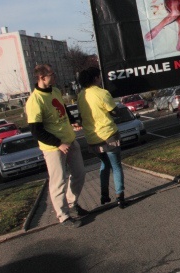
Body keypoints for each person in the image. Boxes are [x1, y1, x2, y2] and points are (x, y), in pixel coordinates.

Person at [26, 64, 87, 228]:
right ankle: (63, 216)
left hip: (70, 140)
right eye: (52, 75)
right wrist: (58, 143)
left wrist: (72, 121)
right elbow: (36, 130)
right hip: (54, 148)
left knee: (80, 173)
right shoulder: (35, 100)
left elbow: (63, 108)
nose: (55, 77)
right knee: (58, 181)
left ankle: (72, 203)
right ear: (41, 77)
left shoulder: (55, 91)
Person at [77, 67, 127, 209]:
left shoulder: (81, 96)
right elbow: (115, 112)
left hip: (92, 138)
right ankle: (120, 197)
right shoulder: (102, 93)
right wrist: (116, 110)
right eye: (99, 77)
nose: (100, 79)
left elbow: (81, 116)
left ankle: (104, 194)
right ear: (95, 78)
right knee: (116, 166)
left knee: (104, 164)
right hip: (108, 134)